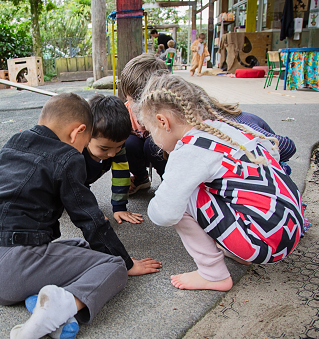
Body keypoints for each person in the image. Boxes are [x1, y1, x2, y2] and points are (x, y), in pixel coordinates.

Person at [0, 93, 161, 339]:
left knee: (81, 248)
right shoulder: (67, 157)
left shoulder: (15, 142)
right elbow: (90, 220)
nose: (82, 151)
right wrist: (126, 262)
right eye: (85, 141)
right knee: (112, 266)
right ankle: (65, 305)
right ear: (77, 132)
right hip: (11, 266)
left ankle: (41, 301)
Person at [136, 73, 305, 292]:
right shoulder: (222, 129)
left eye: (150, 132)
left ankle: (212, 274)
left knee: (181, 197)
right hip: (287, 231)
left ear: (162, 121)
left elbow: (164, 214)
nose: (154, 140)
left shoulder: (190, 149)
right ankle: (239, 252)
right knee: (209, 188)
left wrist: (158, 202)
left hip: (264, 242)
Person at [119, 53, 296, 174]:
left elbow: (287, 146)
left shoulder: (217, 120)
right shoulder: (181, 121)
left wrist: (254, 165)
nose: (142, 121)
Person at [84, 94, 143, 224]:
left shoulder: (114, 147)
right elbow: (75, 186)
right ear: (85, 134)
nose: (112, 154)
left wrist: (120, 208)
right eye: (104, 148)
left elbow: (121, 175)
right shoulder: (74, 152)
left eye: (119, 146)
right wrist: (90, 211)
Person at [119, 54, 169, 195]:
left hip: (159, 153)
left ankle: (169, 181)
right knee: (128, 143)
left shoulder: (169, 114)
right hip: (136, 153)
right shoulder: (125, 113)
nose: (141, 108)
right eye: (134, 100)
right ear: (126, 96)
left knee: (153, 144)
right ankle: (141, 178)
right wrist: (122, 178)